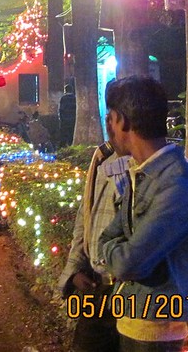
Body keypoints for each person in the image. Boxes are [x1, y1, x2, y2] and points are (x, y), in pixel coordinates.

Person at [98, 76, 188, 351]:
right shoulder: (142, 172)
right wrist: (112, 248)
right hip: (134, 320)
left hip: (155, 332)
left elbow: (128, 263)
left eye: (110, 118)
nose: (109, 127)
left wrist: (110, 251)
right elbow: (109, 237)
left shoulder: (178, 185)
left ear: (122, 121)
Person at [59, 135, 130, 352]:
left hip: (128, 295)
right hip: (96, 288)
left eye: (114, 119)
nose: (109, 126)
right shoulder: (103, 160)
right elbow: (85, 221)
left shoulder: (150, 172)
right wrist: (74, 273)